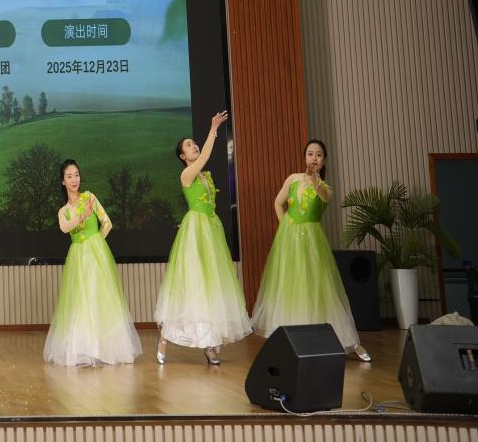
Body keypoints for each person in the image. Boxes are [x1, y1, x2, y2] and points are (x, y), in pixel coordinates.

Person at [251, 138, 371, 361]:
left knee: (322, 289)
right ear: (305, 157)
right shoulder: (292, 179)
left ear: (323, 161)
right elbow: (278, 203)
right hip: (290, 241)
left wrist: (315, 179)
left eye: (318, 155)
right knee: (291, 289)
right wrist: (285, 227)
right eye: (310, 154)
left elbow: (323, 196)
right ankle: (292, 344)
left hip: (313, 242)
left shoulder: (326, 188)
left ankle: (350, 342)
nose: (313, 158)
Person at [154, 111, 252, 365]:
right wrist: (213, 129)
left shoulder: (205, 176)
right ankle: (164, 338)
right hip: (195, 232)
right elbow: (206, 156)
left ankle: (209, 344)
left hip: (211, 229)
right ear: (182, 156)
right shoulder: (186, 175)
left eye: (194, 143)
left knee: (210, 287)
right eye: (189, 145)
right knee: (190, 286)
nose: (194, 146)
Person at [43, 158, 141, 366]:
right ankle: (83, 349)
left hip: (96, 253)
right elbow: (64, 228)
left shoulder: (89, 197)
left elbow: (107, 223)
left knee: (100, 297)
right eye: (69, 176)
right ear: (63, 181)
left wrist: (96, 242)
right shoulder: (63, 211)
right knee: (81, 298)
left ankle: (105, 349)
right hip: (77, 257)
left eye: (76, 175)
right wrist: (81, 217)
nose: (74, 179)